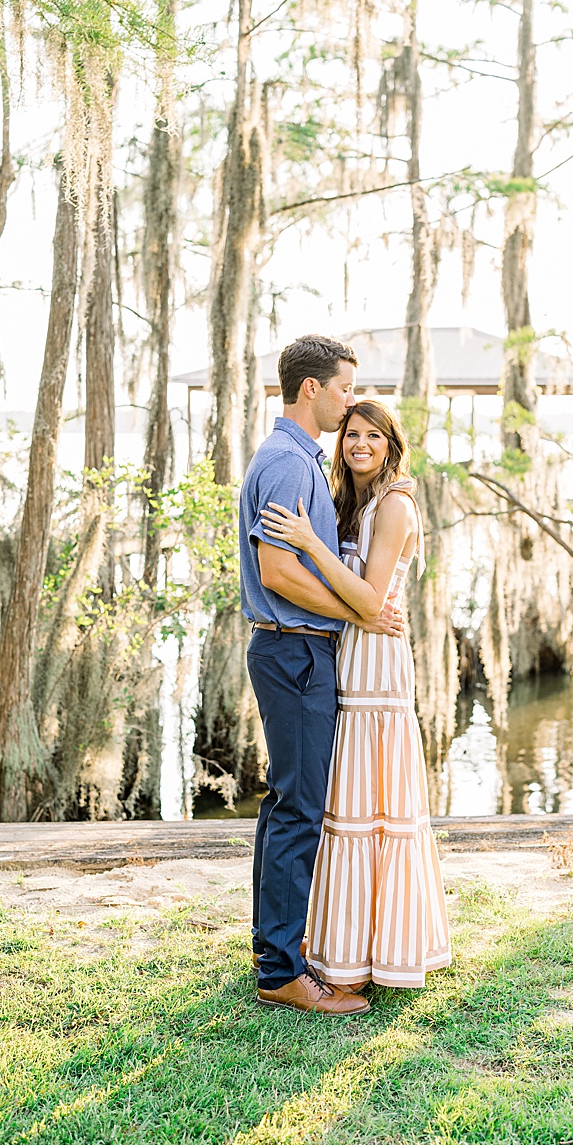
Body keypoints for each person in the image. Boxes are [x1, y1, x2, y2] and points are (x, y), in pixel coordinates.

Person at [261, 399, 453, 990]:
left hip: (378, 666)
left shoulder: (396, 505)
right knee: (345, 805)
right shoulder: (353, 502)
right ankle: (342, 950)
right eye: (351, 434)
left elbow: (372, 599)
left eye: (373, 435)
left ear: (391, 444)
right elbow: (357, 603)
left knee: (378, 809)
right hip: (346, 656)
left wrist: (309, 544)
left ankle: (383, 954)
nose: (359, 444)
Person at [238, 334, 404, 1017]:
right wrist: (355, 612)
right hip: (296, 652)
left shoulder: (294, 460)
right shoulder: (287, 463)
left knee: (285, 803)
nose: (348, 400)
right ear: (312, 389)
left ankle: (270, 948)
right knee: (301, 807)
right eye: (342, 388)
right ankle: (282, 969)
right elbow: (278, 571)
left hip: (295, 651)